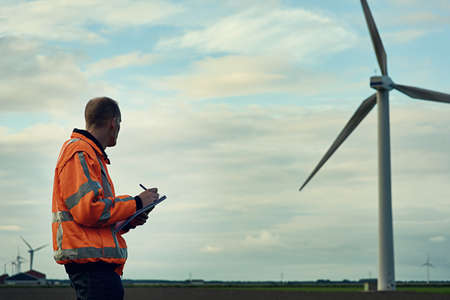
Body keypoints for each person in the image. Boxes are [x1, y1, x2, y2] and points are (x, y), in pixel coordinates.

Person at [51, 97, 158, 300]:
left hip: (98, 267)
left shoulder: (90, 154)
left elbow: (97, 218)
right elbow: (88, 210)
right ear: (113, 123)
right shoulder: (80, 152)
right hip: (93, 268)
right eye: (119, 124)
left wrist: (132, 216)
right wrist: (136, 202)